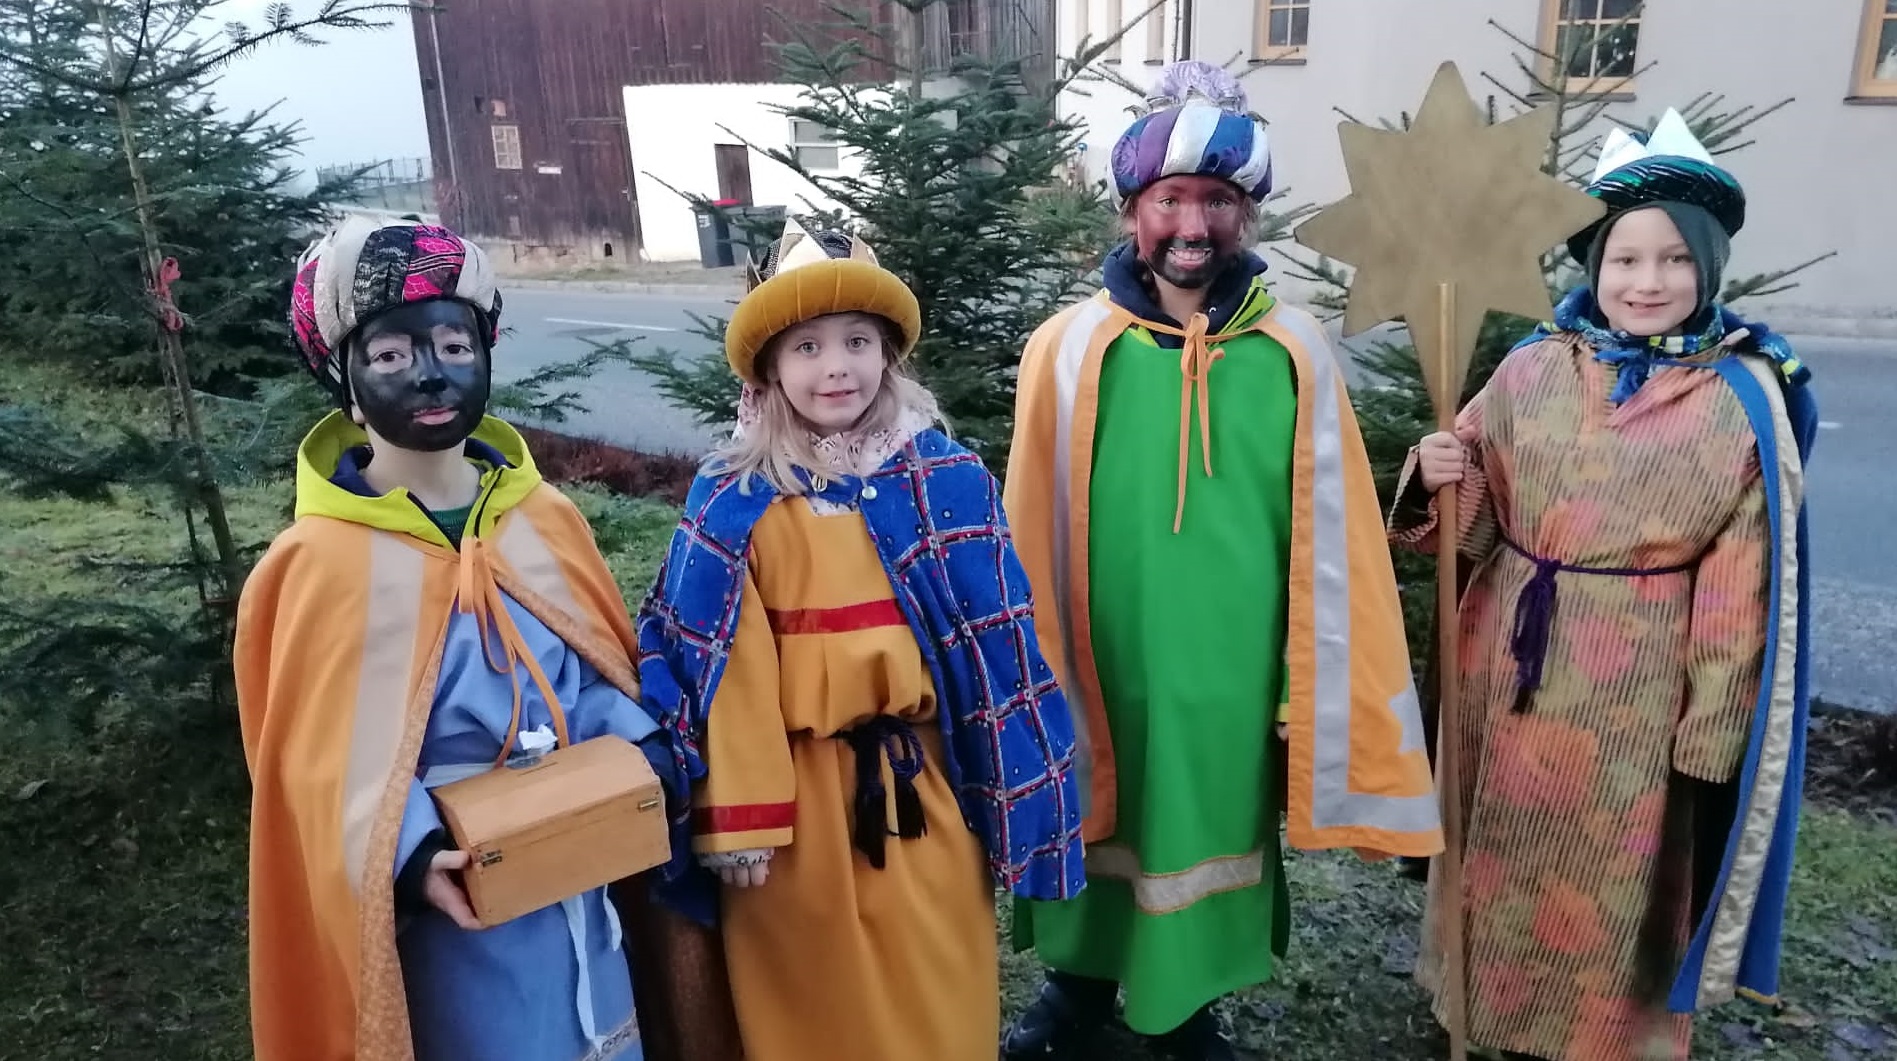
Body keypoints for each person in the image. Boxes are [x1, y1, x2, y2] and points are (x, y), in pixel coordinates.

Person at [1000, 61, 1442, 1061]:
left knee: (1204, 824)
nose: (1191, 224)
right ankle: (1076, 989)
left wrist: (1299, 679)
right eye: (1169, 200)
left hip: (1229, 667)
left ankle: (1185, 1005)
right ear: (1132, 211)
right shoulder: (1064, 348)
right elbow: (1027, 520)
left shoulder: (1292, 350)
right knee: (1094, 802)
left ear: (1246, 213)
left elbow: (1332, 535)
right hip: (1101, 650)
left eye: (1216, 199)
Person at [1391, 110, 1818, 1061]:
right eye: (1624, 259)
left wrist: (1709, 725)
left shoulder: (1737, 398)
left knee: (1611, 870)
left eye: (1673, 260)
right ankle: (1479, 1012)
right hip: (1509, 662)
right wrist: (1437, 472)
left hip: (1638, 691)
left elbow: (1742, 580)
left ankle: (1595, 1038)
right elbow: (1474, 525)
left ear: (1708, 267)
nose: (1646, 282)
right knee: (1499, 844)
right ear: (1593, 264)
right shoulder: (1529, 368)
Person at [237, 217, 696, 1061]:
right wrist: (412, 851)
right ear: (345, 382)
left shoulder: (541, 518)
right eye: (390, 354)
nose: (430, 373)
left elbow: (589, 674)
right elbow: (317, 764)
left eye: (454, 344)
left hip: (579, 850)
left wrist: (642, 748)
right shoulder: (318, 562)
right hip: (459, 902)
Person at [632, 221, 1086, 1061]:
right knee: (815, 1007)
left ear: (888, 355)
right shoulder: (736, 496)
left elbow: (997, 652)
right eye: (806, 347)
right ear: (770, 367)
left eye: (856, 341)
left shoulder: (945, 478)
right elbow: (719, 666)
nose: (835, 366)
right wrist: (740, 816)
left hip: (922, 786)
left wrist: (1009, 787)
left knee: (937, 985)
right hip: (795, 811)